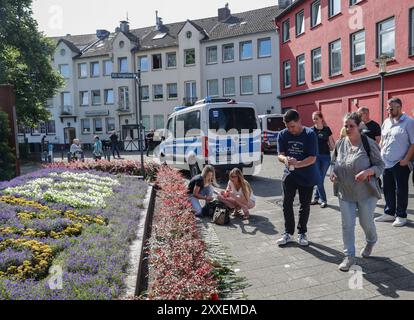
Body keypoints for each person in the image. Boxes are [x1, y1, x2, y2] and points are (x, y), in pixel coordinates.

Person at [331, 112, 385, 271]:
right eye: (345, 125)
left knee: (365, 222)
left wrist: (368, 172)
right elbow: (334, 162)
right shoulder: (340, 144)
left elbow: (380, 165)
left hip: (365, 192)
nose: (347, 128)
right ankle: (349, 256)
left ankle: (371, 240)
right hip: (345, 191)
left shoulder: (368, 143)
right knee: (347, 225)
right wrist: (334, 173)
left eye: (351, 126)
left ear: (359, 126)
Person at [276, 110, 319, 247]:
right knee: (286, 204)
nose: (290, 130)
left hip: (307, 175)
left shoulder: (310, 134)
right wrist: (286, 159)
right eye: (288, 127)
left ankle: (302, 233)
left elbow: (312, 158)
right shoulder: (283, 134)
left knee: (304, 205)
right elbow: (280, 155)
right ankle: (288, 233)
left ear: (299, 121)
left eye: (293, 126)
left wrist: (298, 164)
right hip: (289, 174)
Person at [375, 98, 414, 227]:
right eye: (388, 108)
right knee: (387, 189)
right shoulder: (386, 122)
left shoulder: (409, 122)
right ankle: (389, 213)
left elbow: (413, 143)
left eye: (392, 108)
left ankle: (401, 216)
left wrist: (406, 159)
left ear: (399, 107)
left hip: (400, 162)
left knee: (401, 190)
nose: (389, 111)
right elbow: (383, 140)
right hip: (386, 162)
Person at [311, 111, 335, 208]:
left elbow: (331, 143)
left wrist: (336, 155)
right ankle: (323, 200)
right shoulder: (311, 130)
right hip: (315, 157)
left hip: (325, 157)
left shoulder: (327, 129)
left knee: (319, 179)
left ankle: (316, 198)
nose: (315, 120)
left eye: (316, 118)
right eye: (313, 119)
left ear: (321, 119)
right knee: (318, 179)